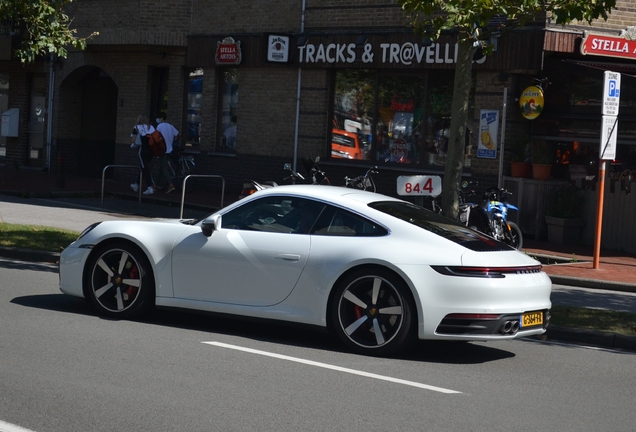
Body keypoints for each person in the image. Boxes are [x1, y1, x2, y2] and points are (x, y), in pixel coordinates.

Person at [155, 112, 181, 193]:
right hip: (170, 150)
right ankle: (155, 185)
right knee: (162, 168)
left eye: (158, 118)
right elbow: (178, 134)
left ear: (161, 118)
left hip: (162, 150)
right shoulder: (170, 126)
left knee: (164, 168)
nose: (157, 120)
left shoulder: (159, 126)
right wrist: (174, 140)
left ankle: (170, 185)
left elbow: (156, 137)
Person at [130, 115, 156, 195]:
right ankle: (136, 184)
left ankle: (150, 187)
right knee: (144, 167)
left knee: (145, 168)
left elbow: (133, 140)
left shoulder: (137, 127)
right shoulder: (151, 127)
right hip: (152, 150)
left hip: (143, 150)